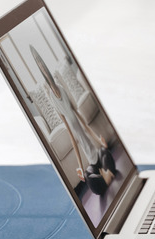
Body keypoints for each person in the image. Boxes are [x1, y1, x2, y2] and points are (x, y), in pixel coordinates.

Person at [30, 46, 116, 196]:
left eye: (42, 63)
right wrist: (80, 166)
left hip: (97, 153)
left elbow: (83, 122)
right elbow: (72, 136)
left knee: (105, 153)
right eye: (39, 65)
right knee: (91, 179)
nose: (42, 67)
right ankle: (106, 175)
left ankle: (107, 175)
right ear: (39, 69)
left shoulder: (62, 89)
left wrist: (98, 138)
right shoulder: (52, 99)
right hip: (91, 162)